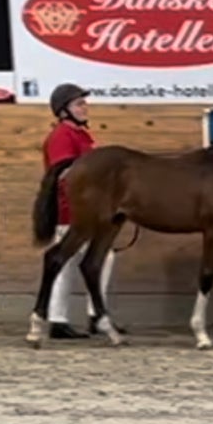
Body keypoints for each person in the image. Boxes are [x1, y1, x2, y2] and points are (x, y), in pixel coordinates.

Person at [40, 82, 124, 339]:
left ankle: (81, 316)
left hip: (89, 209)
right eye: (79, 104)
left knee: (91, 260)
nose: (85, 107)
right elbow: (65, 173)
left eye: (84, 103)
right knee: (84, 261)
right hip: (72, 209)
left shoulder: (81, 135)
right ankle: (81, 316)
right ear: (64, 110)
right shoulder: (62, 137)